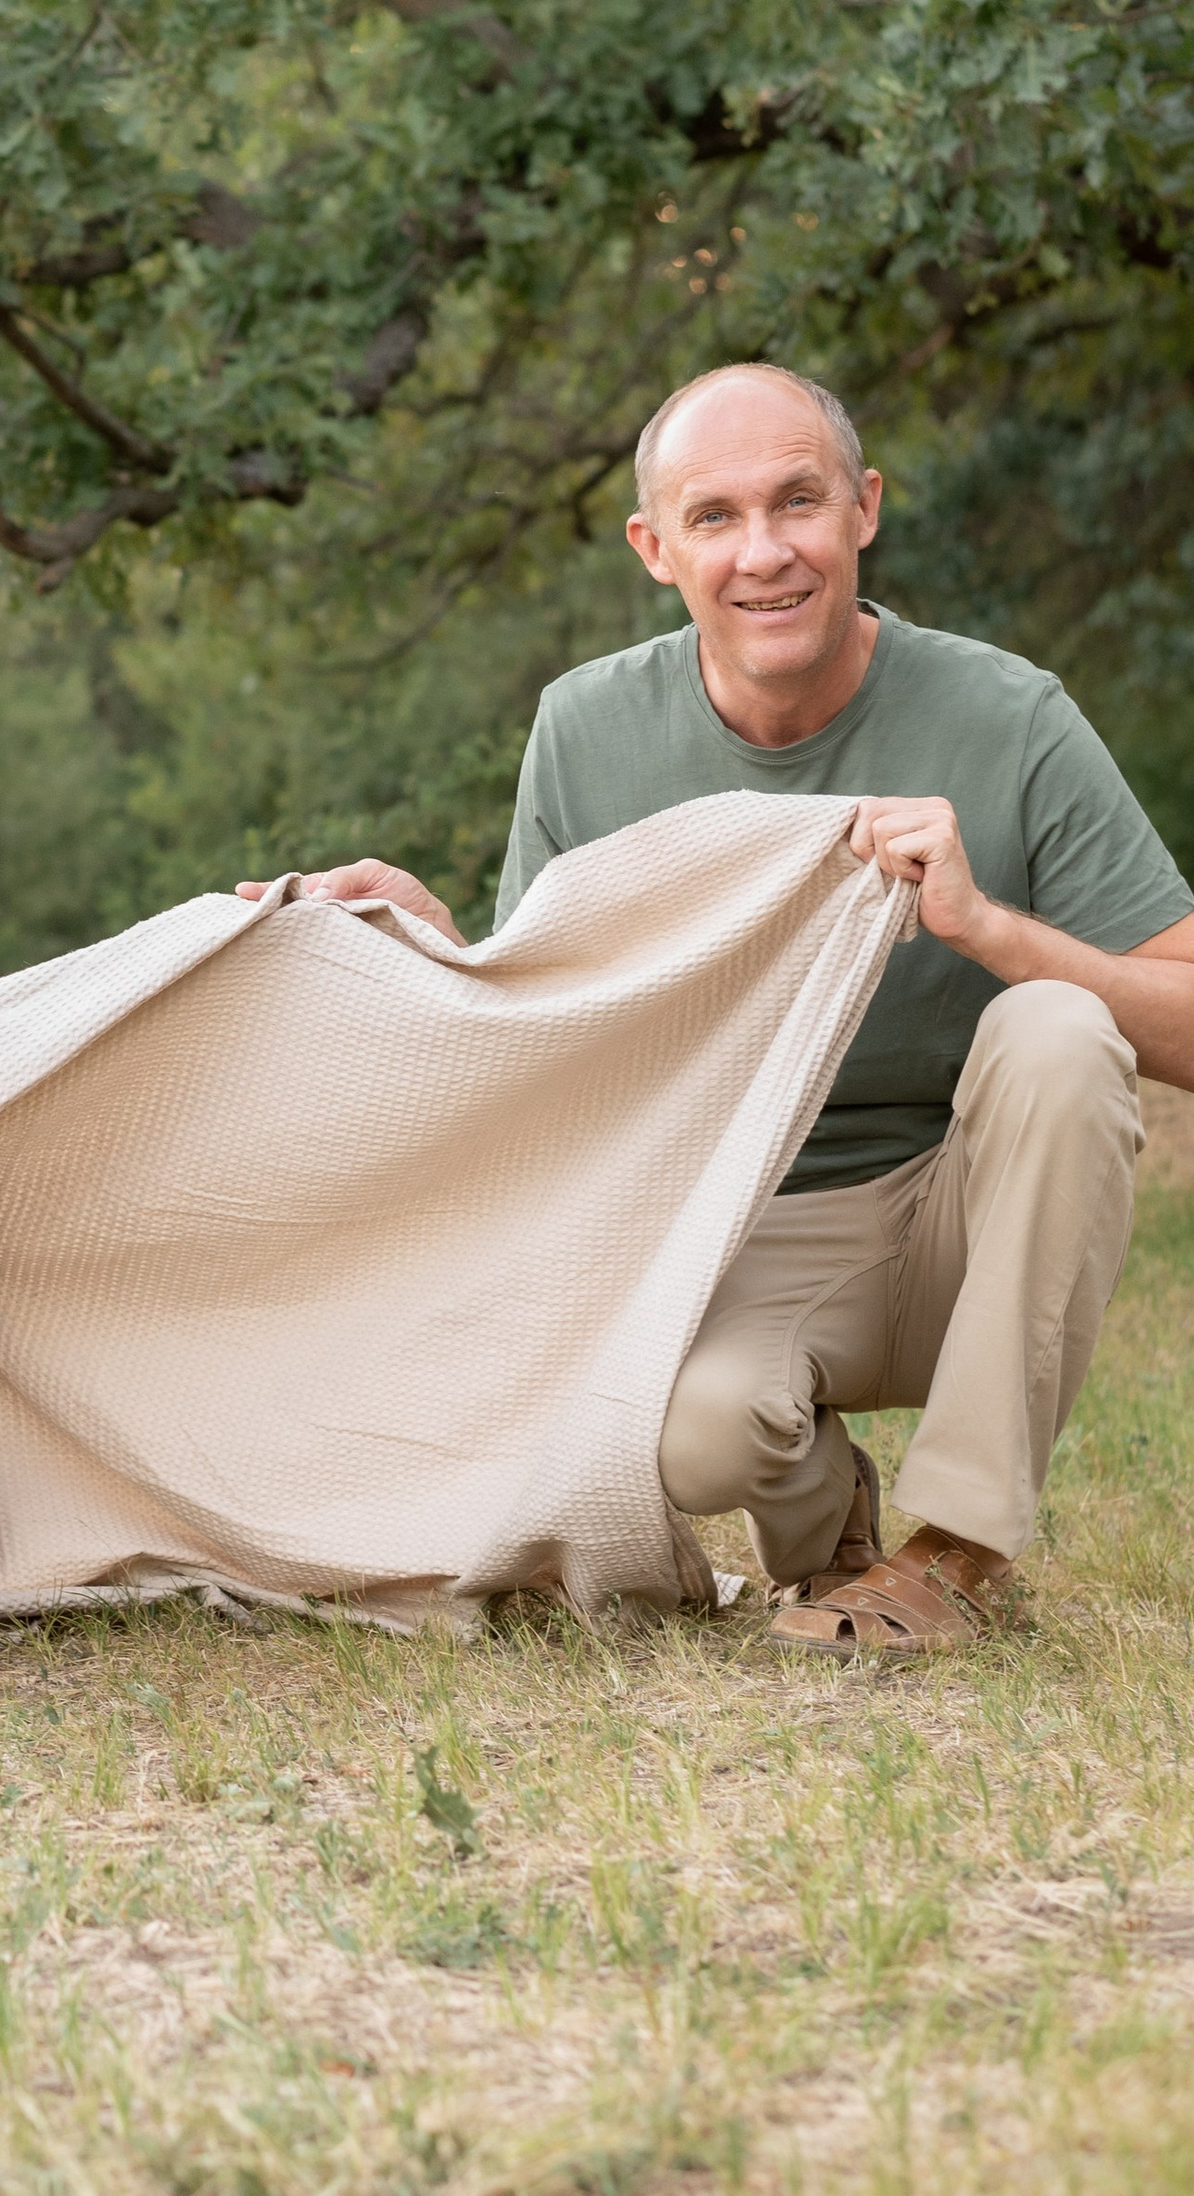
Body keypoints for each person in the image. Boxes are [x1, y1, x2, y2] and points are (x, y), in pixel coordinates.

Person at [248, 362, 1194, 1656]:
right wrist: (443, 943)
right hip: (744, 1227)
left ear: (865, 507)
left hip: (966, 1213)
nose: (766, 552)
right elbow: (561, 1040)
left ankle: (959, 1554)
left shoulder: (1011, 714)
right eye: (716, 515)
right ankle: (834, 1544)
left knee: (1060, 1031)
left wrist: (995, 930)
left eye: (799, 501)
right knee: (696, 1433)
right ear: (654, 546)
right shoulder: (585, 730)